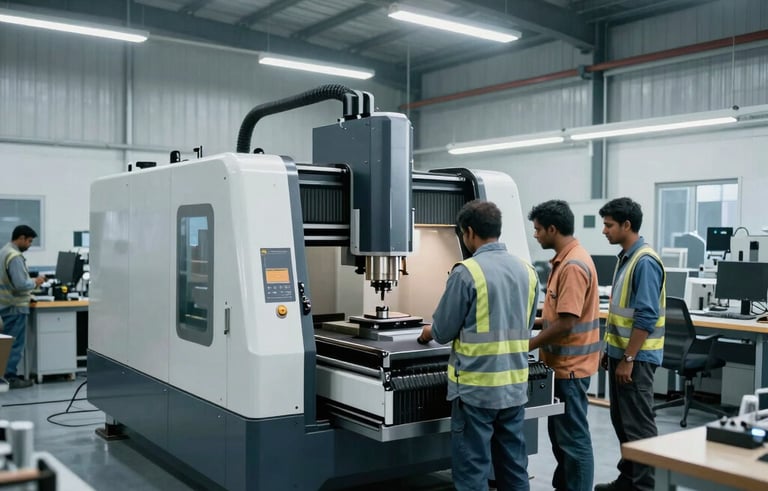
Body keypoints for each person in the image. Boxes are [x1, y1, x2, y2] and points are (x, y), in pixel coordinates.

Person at [417, 200, 539, 491]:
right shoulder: (527, 271)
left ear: (469, 232)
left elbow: (444, 331)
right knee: (513, 468)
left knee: (472, 471)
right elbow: (526, 322)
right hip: (514, 387)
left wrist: (427, 332)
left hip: (476, 391)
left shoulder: (467, 272)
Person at [528, 200, 600, 491]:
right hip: (562, 368)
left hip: (570, 369)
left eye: (537, 230)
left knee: (573, 440)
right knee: (562, 439)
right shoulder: (565, 260)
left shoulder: (572, 265)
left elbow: (567, 323)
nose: (535, 235)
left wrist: (528, 344)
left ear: (552, 229)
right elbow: (554, 316)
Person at [594, 198, 666, 491]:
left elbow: (646, 317)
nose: (604, 231)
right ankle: (629, 479)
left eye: (608, 225)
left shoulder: (644, 262)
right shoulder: (626, 258)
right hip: (620, 354)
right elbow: (620, 313)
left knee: (639, 426)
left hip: (636, 359)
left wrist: (628, 359)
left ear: (627, 225)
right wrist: (608, 350)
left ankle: (645, 486)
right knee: (622, 422)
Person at [1, 225, 46, 389]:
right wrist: (36, 282)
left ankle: (5, 376)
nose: (29, 245)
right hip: (15, 306)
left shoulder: (4, 251)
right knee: (13, 344)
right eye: (29, 241)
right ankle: (10, 377)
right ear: (20, 238)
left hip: (5, 305)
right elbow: (20, 284)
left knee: (5, 344)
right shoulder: (14, 256)